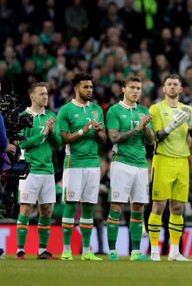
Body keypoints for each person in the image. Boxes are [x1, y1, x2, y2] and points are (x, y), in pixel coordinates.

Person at [147, 74, 192, 261]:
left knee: (177, 207)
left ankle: (174, 252)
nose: (172, 87)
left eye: (175, 84)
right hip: (163, 160)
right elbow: (154, 137)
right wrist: (170, 127)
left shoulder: (188, 109)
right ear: (163, 89)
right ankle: (154, 251)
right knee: (159, 206)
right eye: (168, 84)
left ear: (181, 89)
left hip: (182, 161)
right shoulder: (155, 109)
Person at [57, 72, 107, 261]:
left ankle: (86, 250)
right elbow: (63, 140)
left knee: (88, 207)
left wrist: (98, 132)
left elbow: (104, 141)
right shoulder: (66, 110)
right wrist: (82, 130)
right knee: (71, 206)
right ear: (76, 88)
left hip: (93, 163)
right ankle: (67, 250)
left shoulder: (96, 109)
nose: (89, 90)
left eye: (91, 87)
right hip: (74, 163)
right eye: (85, 87)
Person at [105, 76, 154, 261]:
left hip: (141, 164)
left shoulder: (143, 111)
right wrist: (137, 128)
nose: (136, 91)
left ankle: (135, 252)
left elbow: (151, 140)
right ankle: (112, 251)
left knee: (139, 207)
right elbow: (114, 138)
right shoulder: (114, 111)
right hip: (122, 163)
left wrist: (146, 127)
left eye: (139, 88)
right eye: (132, 87)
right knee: (116, 206)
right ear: (123, 89)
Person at [16, 82, 62, 260]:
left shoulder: (51, 116)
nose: (45, 96)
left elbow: (58, 144)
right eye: (41, 94)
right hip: (30, 169)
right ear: (32, 97)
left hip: (48, 170)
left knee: (47, 210)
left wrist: (51, 133)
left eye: (46, 93)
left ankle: (42, 250)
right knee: (26, 208)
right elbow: (22, 144)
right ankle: (20, 250)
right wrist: (42, 134)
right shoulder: (23, 117)